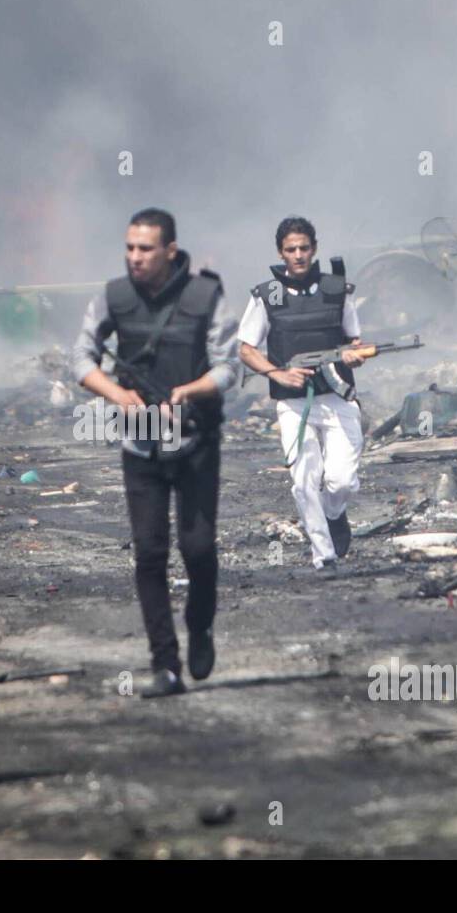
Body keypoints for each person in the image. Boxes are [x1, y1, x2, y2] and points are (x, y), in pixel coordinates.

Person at [72, 208, 239, 698]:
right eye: (129, 248)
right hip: (139, 442)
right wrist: (115, 394)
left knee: (199, 549)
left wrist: (191, 389)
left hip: (196, 443)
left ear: (170, 250)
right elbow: (80, 355)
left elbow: (229, 366)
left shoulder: (205, 294)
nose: (135, 258)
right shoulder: (113, 296)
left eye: (145, 249)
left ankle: (201, 625)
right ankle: (165, 665)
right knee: (149, 553)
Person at [237, 216, 366, 577]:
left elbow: (355, 339)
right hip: (295, 404)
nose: (298, 255)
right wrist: (277, 373)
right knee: (305, 480)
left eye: (304, 248)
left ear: (314, 249)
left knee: (341, 481)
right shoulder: (268, 295)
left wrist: (354, 352)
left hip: (338, 397)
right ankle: (323, 555)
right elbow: (246, 348)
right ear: (281, 252)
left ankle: (334, 513)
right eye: (291, 249)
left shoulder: (336, 288)